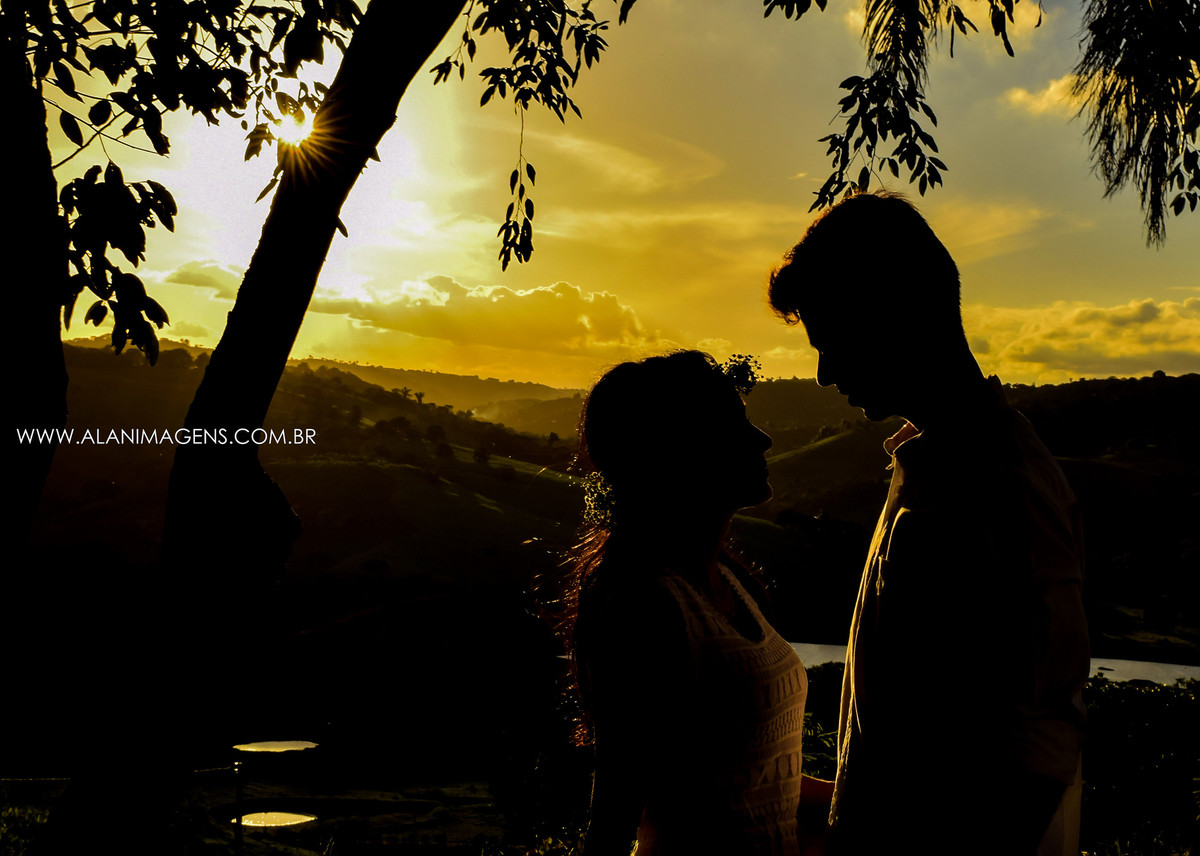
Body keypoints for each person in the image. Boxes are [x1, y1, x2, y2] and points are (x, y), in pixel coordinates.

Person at [766, 191, 1089, 855]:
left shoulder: (1002, 489)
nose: (825, 374)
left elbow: (1034, 755)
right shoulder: (930, 467)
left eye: (835, 341)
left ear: (894, 313)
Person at [538, 350, 832, 856]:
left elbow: (755, 774)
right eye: (734, 425)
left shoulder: (727, 584)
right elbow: (614, 811)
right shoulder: (642, 602)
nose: (763, 439)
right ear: (679, 451)